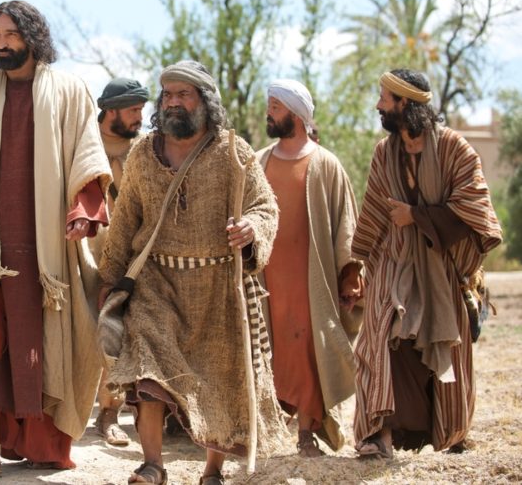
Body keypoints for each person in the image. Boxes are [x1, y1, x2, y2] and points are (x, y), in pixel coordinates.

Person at [0, 0, 112, 475]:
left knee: (47, 342)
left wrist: (83, 211)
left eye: (10, 35)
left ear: (32, 36)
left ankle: (44, 444)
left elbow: (87, 158)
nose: (2, 44)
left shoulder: (69, 90)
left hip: (47, 247)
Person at [98, 60, 286, 485]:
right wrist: (110, 278)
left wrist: (251, 229)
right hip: (157, 284)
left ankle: (212, 472)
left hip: (218, 288)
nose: (173, 102)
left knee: (217, 382)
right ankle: (152, 465)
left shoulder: (233, 152)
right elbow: (125, 219)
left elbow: (265, 207)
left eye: (184, 94)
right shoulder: (143, 153)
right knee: (148, 373)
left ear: (204, 101)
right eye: (167, 94)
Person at [351, 69, 501, 458]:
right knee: (382, 336)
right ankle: (380, 435)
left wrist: (417, 216)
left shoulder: (454, 149)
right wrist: (357, 267)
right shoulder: (384, 152)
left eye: (385, 98)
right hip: (394, 261)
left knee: (441, 342)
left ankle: (449, 428)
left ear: (405, 103)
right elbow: (373, 212)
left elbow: (474, 210)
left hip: (440, 265)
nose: (378, 105)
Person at [257, 79, 362, 457]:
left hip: (310, 281)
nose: (269, 113)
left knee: (306, 352)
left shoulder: (326, 164)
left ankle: (305, 434)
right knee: (267, 352)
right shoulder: (259, 162)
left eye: (276, 107)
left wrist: (349, 278)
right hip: (266, 280)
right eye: (269, 105)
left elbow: (346, 225)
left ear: (297, 115)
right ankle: (265, 431)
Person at [91, 77, 148, 448]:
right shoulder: (84, 142)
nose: (139, 117)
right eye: (133, 110)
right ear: (110, 110)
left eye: (141, 110)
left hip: (130, 255)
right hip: (85, 251)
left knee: (121, 331)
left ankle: (110, 414)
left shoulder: (143, 149)